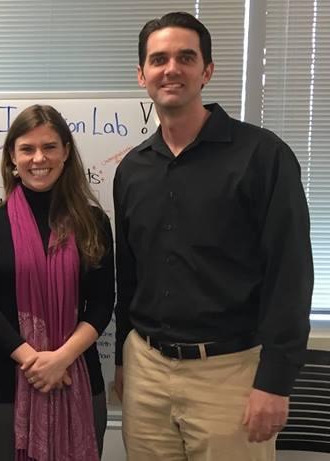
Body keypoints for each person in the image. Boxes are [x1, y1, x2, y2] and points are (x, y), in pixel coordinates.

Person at [113, 11, 313, 460]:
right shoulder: (132, 169)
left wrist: (275, 383)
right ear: (141, 74)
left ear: (207, 71)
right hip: (147, 370)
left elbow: (291, 275)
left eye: (186, 57)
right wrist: (124, 362)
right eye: (159, 59)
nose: (171, 69)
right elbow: (130, 275)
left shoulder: (263, 157)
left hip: (230, 373)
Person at [0, 104, 113, 461]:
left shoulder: (93, 222)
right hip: (6, 383)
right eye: (27, 149)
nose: (38, 158)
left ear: (66, 152)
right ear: (12, 157)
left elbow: (102, 303)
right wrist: (35, 362)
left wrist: (61, 359)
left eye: (49, 147)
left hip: (77, 374)